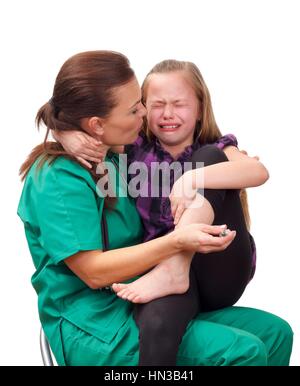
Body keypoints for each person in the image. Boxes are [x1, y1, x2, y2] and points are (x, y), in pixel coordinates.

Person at [18, 51, 293, 366]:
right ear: (97, 124)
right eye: (136, 108)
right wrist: (177, 242)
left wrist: (64, 129)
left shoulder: (114, 158)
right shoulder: (56, 177)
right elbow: (93, 272)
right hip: (95, 325)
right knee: (243, 351)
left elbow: (252, 170)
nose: (146, 114)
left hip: (139, 297)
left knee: (275, 334)